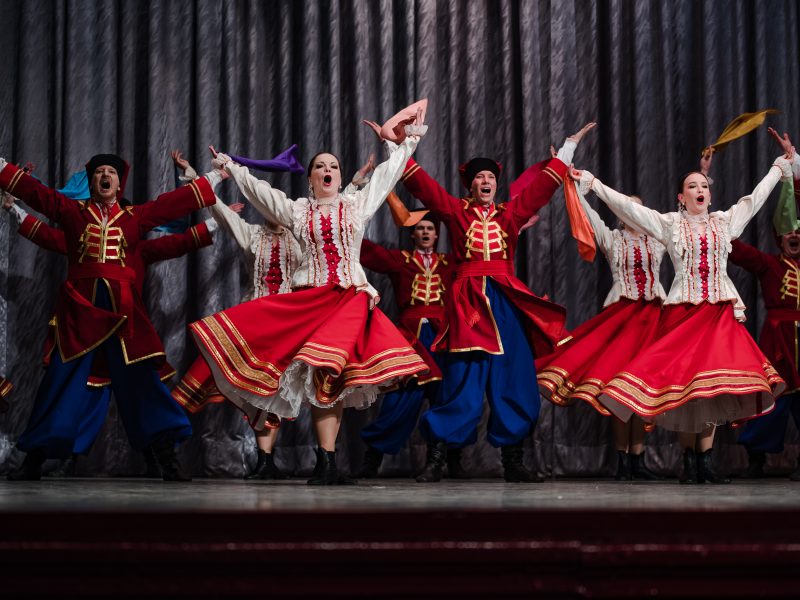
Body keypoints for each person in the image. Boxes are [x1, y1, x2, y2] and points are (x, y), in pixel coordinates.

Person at [189, 109, 429, 485]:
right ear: (312, 178)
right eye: (320, 166)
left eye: (333, 166)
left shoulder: (356, 205)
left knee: (332, 381)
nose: (327, 170)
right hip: (310, 302)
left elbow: (386, 176)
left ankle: (327, 461)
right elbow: (261, 193)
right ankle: (309, 460)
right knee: (312, 379)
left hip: (347, 300)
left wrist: (403, 142)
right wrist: (232, 168)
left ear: (339, 176)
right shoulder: (298, 211)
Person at [570, 143, 795, 484]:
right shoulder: (669, 224)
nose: (700, 190)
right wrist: (593, 183)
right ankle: (690, 462)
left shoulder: (724, 222)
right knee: (685, 390)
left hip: (718, 314)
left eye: (703, 185)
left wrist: (778, 169)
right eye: (692, 186)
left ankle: (705, 461)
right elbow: (626, 207)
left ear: (709, 193)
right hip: (684, 315)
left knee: (713, 388)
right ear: (681, 196)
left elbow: (754, 199)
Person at [0, 153, 221, 480]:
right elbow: (38, 195)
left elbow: (171, 206)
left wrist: (213, 178)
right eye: (99, 172)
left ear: (119, 184)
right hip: (80, 310)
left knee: (144, 384)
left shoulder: (135, 217)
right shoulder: (73, 212)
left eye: (111, 173)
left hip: (124, 313)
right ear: (92, 183)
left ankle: (167, 459)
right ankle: (34, 459)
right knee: (59, 381)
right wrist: (3, 169)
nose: (105, 176)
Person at [399, 122, 596, 483]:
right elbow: (423, 186)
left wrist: (568, 147)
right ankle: (438, 458)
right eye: (480, 177)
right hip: (468, 304)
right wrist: (399, 147)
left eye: (490, 176)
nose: (486, 181)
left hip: (505, 301)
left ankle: (514, 460)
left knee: (514, 377)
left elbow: (542, 188)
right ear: (471, 185)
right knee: (462, 379)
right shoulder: (456, 211)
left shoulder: (510, 214)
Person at [170, 149, 301, 480]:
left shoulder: (300, 241)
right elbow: (217, 208)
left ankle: (267, 459)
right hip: (252, 319)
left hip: (286, 325)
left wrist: (357, 184)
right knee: (232, 382)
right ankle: (167, 443)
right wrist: (193, 173)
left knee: (275, 391)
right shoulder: (251, 234)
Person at [537, 185, 665, 481]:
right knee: (619, 390)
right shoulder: (613, 239)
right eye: (626, 206)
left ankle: (638, 459)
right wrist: (574, 188)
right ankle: (622, 460)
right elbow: (589, 216)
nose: (632, 211)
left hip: (652, 319)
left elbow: (688, 225)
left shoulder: (658, 238)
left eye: (638, 207)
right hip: (622, 320)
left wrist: (704, 179)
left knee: (642, 391)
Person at [357, 199, 457, 479]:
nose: (425, 232)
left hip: (441, 338)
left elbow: (480, 259)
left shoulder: (449, 263)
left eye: (430, 229)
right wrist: (347, 227)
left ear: (436, 235)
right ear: (413, 234)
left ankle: (443, 460)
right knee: (399, 399)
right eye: (420, 228)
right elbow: (369, 253)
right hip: (409, 339)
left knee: (445, 398)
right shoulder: (400, 260)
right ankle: (372, 458)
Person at [726, 128, 800, 480]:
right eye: (788, 232)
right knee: (771, 395)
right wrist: (718, 226)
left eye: (798, 232)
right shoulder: (769, 264)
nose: (794, 235)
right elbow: (735, 248)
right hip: (777, 339)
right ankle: (756, 458)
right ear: (778, 238)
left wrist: (794, 165)